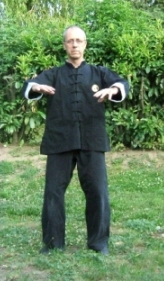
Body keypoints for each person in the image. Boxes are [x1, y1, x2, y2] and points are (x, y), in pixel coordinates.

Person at [22, 25, 130, 255]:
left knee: (98, 192)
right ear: (64, 45)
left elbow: (122, 84)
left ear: (85, 44)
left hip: (92, 141)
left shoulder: (99, 73)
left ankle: (98, 243)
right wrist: (36, 87)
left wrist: (113, 90)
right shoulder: (53, 74)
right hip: (59, 141)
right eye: (70, 41)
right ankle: (52, 243)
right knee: (53, 192)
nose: (74, 45)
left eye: (79, 40)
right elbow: (29, 87)